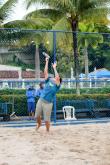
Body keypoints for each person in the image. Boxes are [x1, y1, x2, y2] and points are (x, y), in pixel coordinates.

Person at [35, 56, 62, 132]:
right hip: (41, 100)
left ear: (58, 81)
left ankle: (47, 130)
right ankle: (39, 124)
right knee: (37, 115)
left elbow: (57, 77)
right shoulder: (48, 81)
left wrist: (54, 68)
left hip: (48, 103)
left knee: (46, 120)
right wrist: (47, 61)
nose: (55, 78)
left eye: (57, 79)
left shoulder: (57, 86)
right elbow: (45, 72)